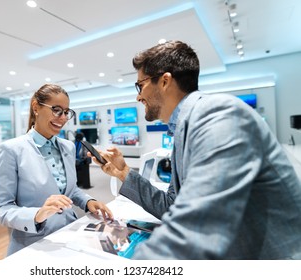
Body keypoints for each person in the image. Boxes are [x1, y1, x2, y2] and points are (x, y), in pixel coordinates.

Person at [93, 40, 301, 259]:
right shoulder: (184, 130)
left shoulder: (218, 114)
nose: (138, 96)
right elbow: (171, 207)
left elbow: (198, 226)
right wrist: (124, 173)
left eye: (140, 85)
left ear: (164, 81)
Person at [0, 84, 113, 256]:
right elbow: (0, 210)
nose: (62, 118)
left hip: (70, 234)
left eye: (66, 112)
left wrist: (87, 201)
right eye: (56, 110)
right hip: (33, 244)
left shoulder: (68, 147)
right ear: (36, 108)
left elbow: (70, 190)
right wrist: (38, 214)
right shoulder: (11, 150)